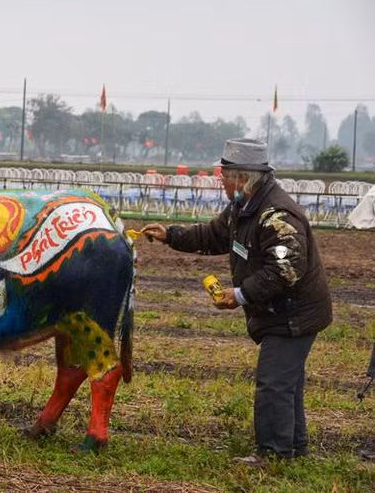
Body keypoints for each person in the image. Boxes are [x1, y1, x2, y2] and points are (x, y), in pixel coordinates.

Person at [141, 138, 332, 464]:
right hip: (279, 310)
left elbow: (286, 268)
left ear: (242, 178)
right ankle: (294, 450)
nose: (221, 182)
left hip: (293, 314)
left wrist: (240, 295)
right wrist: (169, 235)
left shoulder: (277, 215)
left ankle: (273, 455)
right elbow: (212, 236)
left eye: (224, 176)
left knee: (274, 384)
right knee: (288, 384)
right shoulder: (242, 208)